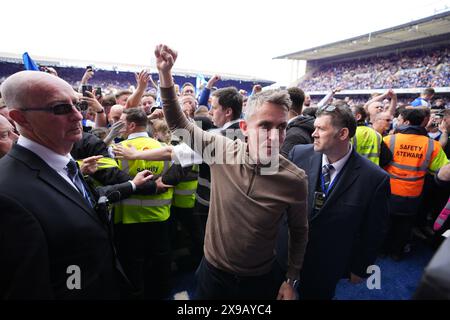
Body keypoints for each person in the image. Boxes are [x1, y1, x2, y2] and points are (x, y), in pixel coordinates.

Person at [155, 44, 308, 300]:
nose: (274, 136)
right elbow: (179, 125)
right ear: (246, 128)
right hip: (212, 273)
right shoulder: (221, 150)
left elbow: (299, 232)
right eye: (265, 126)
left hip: (260, 280)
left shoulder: (294, 180)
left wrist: (292, 278)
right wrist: (165, 74)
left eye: (281, 127)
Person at [0, 71, 154, 299]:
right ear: (20, 118)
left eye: (77, 104)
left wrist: (131, 184)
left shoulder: (65, 162)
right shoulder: (7, 193)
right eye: (60, 108)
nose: (78, 115)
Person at [279, 104, 390, 299]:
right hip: (287, 253)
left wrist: (360, 267)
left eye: (321, 129)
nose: (314, 134)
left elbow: (373, 230)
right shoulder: (299, 153)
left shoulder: (374, 179)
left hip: (328, 263)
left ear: (343, 133)